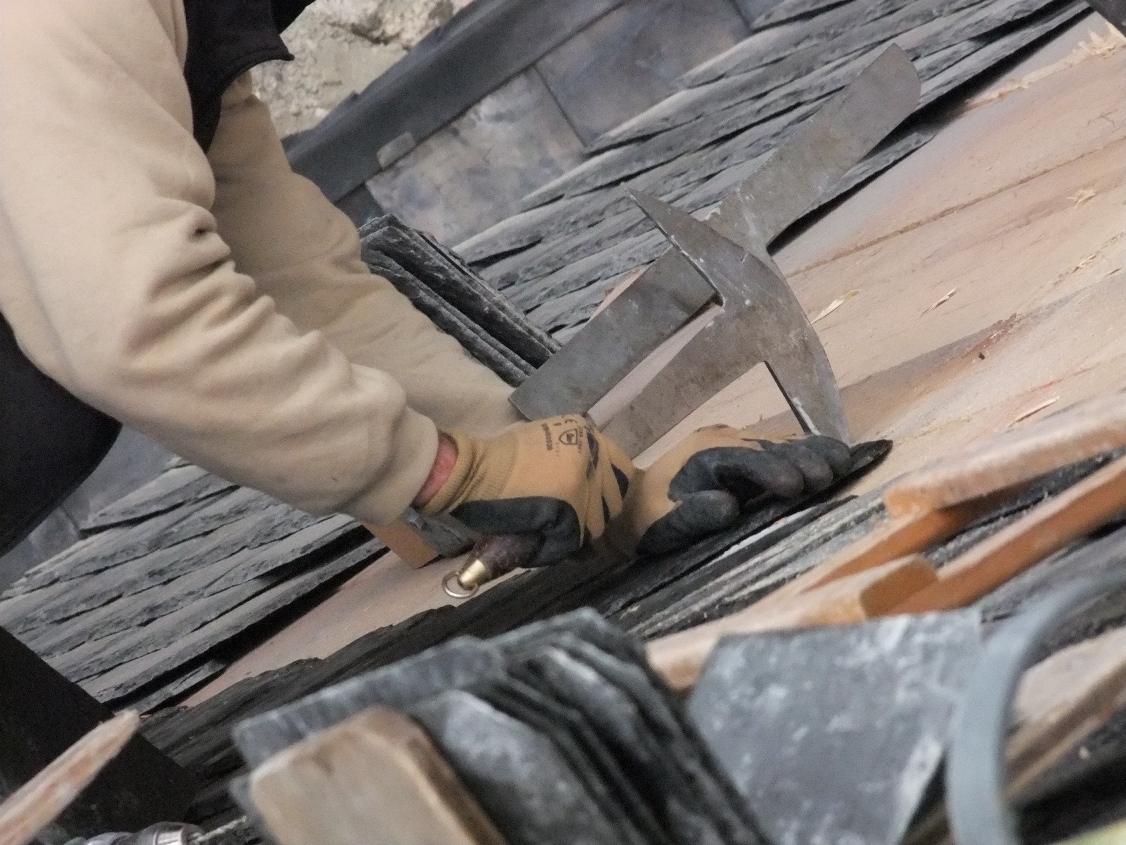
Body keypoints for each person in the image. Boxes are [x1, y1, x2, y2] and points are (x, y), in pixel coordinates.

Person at [1, 2, 849, 839]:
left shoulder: (176, 44)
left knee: (120, 806)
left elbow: (303, 289)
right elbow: (143, 320)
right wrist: (449, 473)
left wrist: (589, 487)